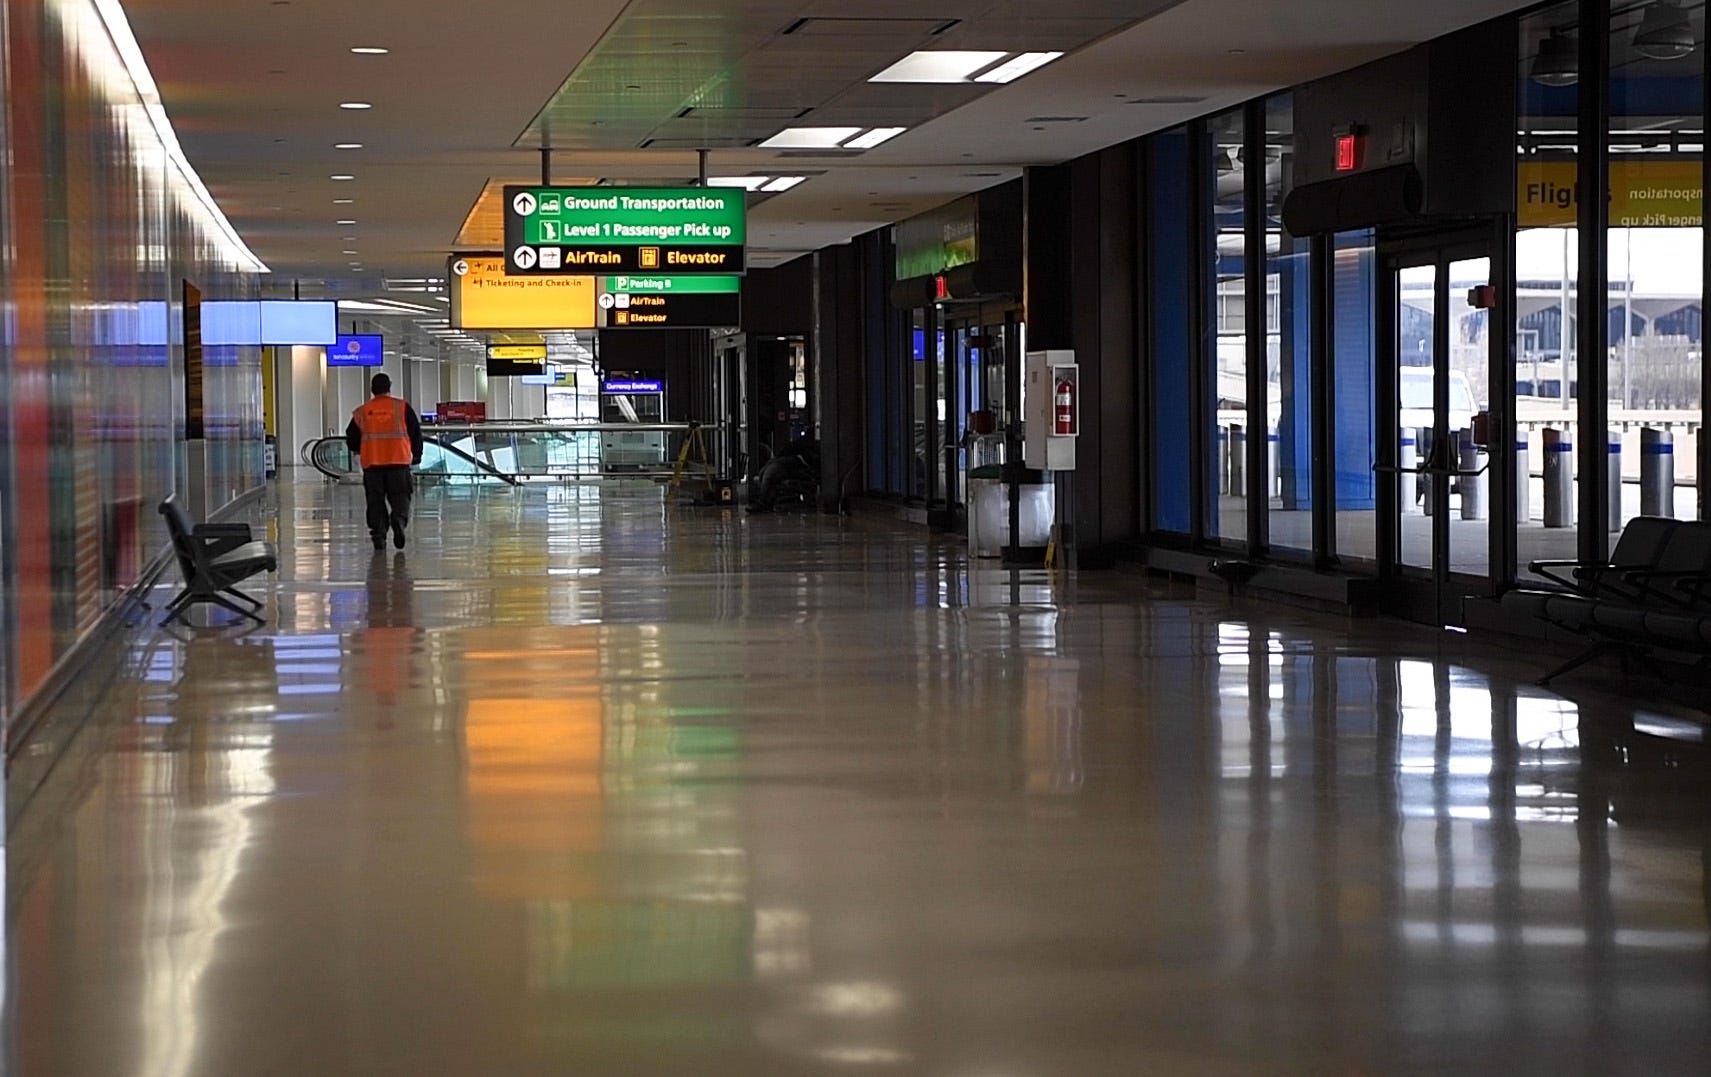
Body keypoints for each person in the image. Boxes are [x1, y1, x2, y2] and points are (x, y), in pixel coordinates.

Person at [346, 373, 423, 551]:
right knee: (401, 497)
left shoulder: (362, 411)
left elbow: (351, 437)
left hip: (373, 465)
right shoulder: (402, 407)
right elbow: (415, 433)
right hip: (399, 463)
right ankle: (398, 520)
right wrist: (417, 454)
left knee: (375, 501)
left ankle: (379, 535)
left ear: (372, 390)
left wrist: (360, 449)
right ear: (389, 387)